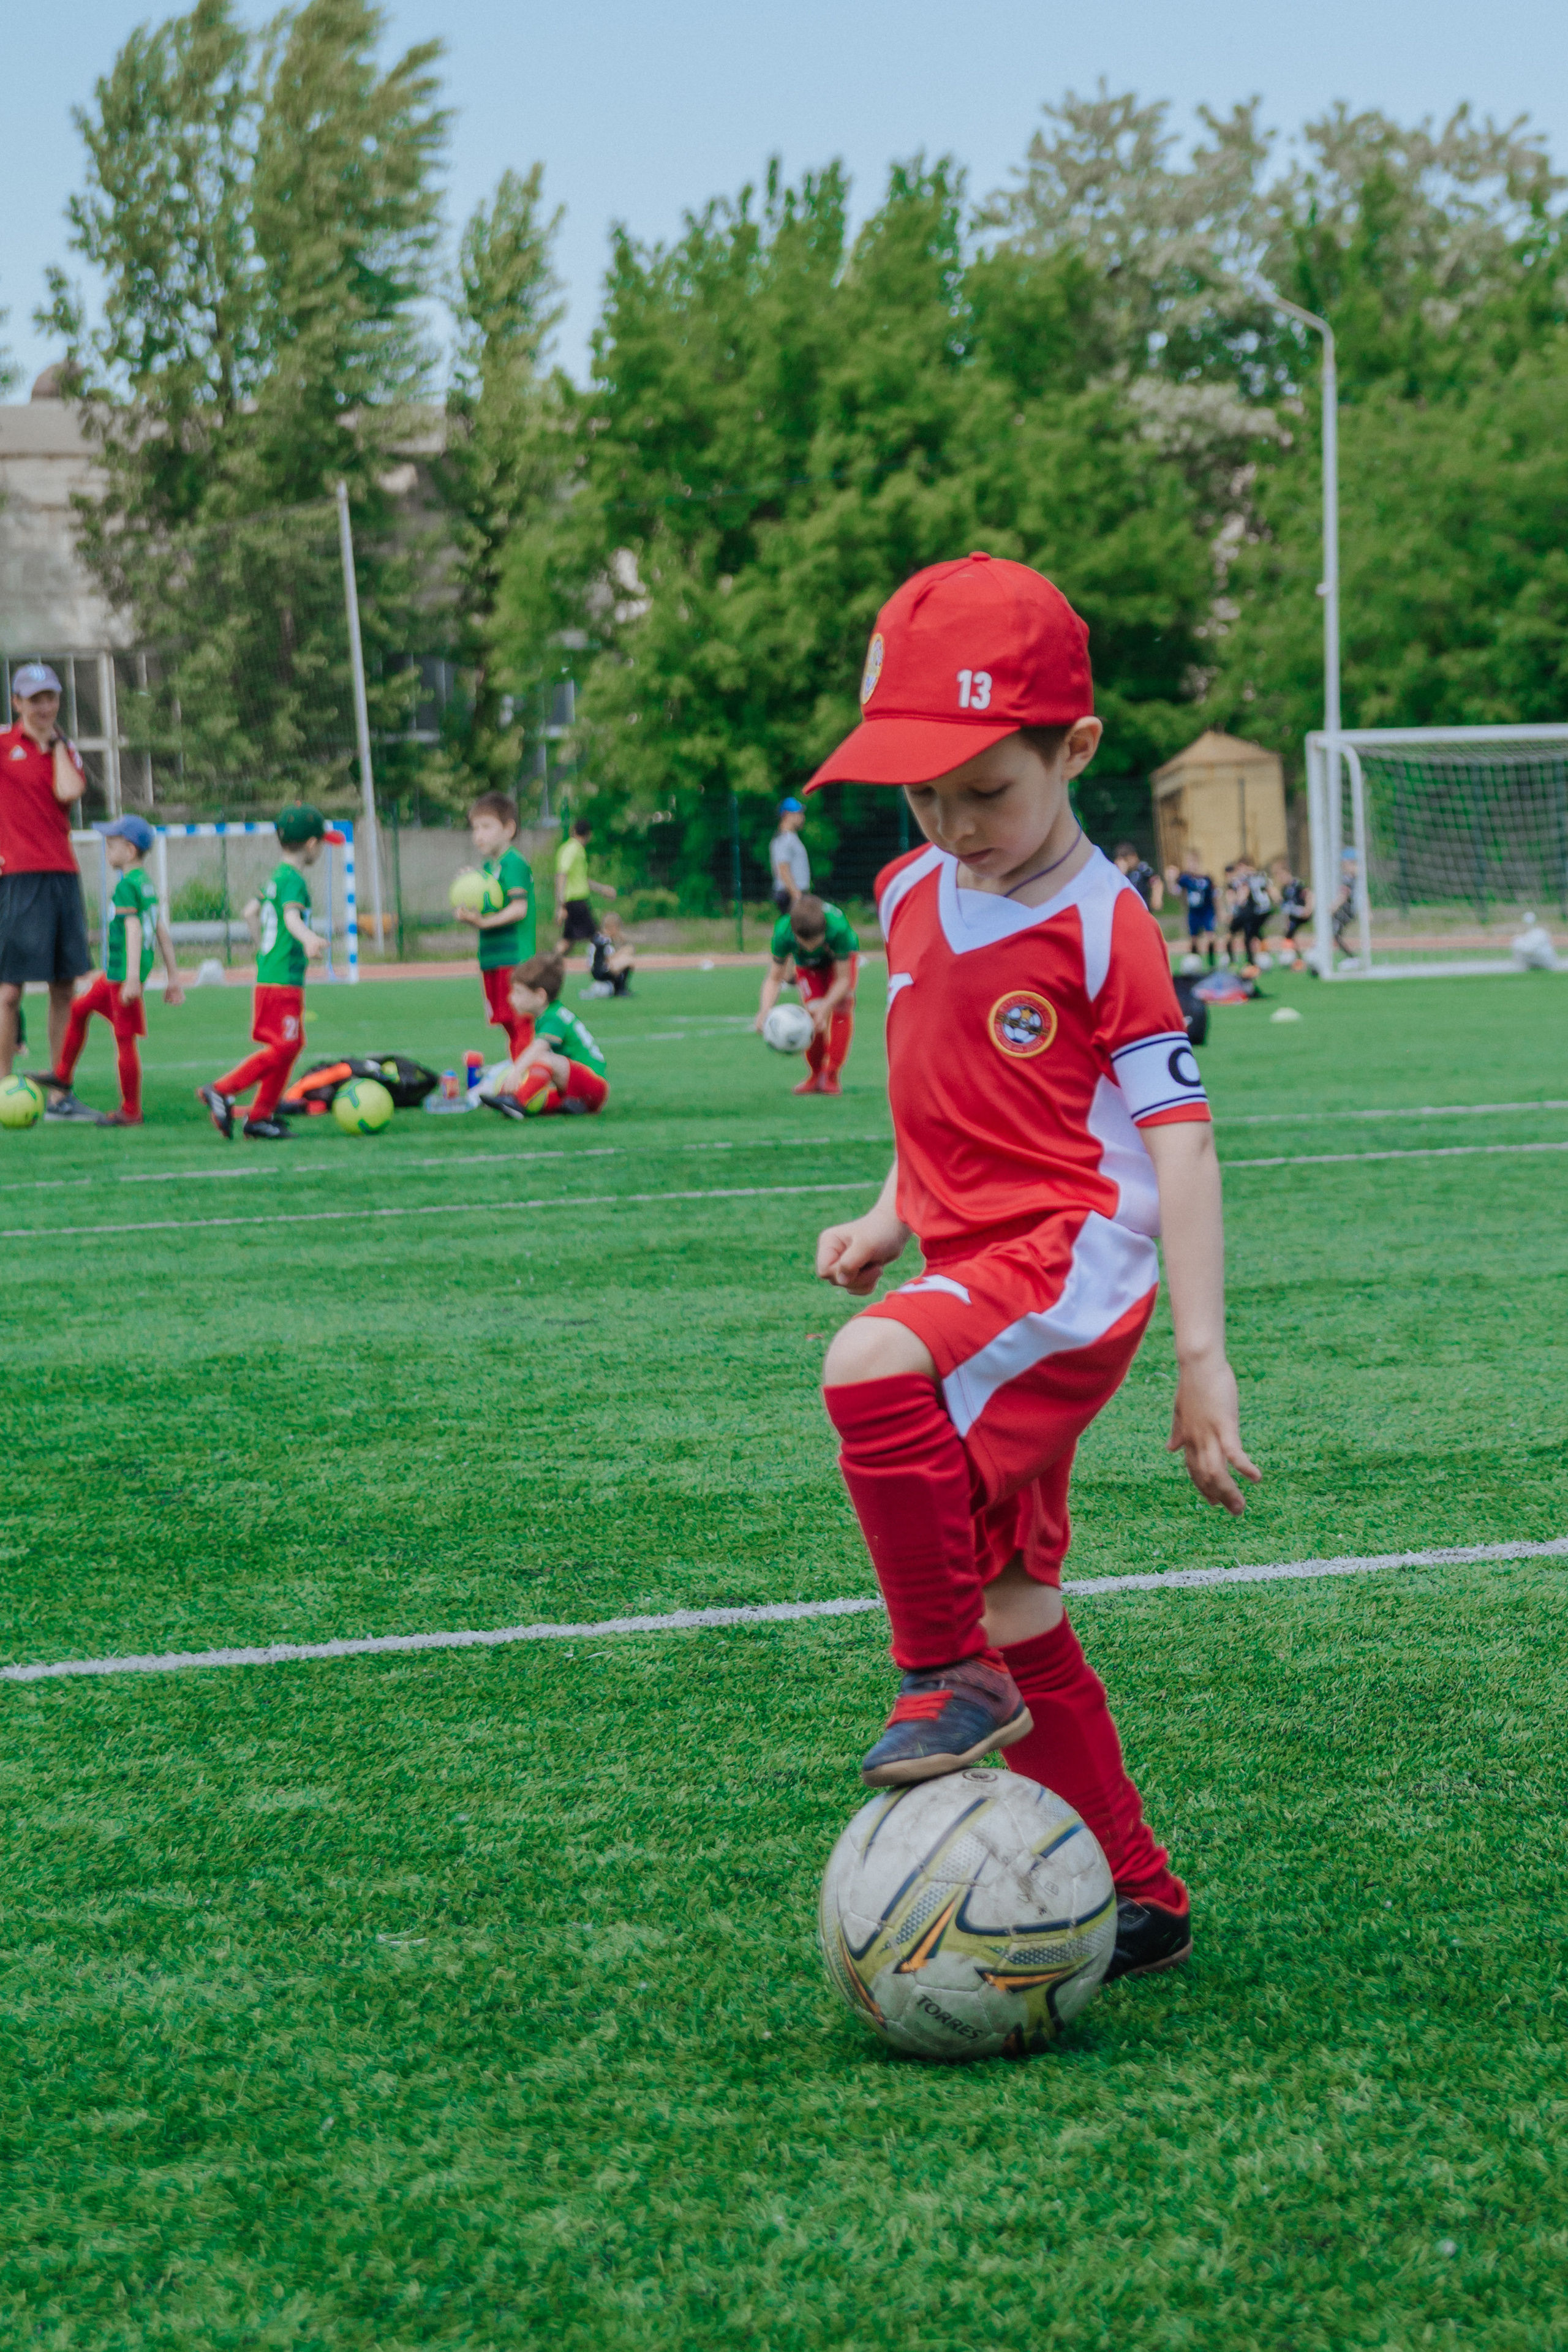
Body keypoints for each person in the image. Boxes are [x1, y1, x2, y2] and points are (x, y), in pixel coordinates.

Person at [803, 551, 1258, 1983]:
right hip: (978, 1256)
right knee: (1021, 1600)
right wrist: (892, 1206)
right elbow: (926, 1075)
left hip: (1075, 1259)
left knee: (869, 1364)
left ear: (1070, 751)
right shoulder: (905, 892)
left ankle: (943, 1676)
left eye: (985, 789)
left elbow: (1179, 1143)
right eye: (922, 793)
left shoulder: (1102, 922)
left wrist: (1198, 1356)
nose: (954, 823)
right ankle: (1137, 1890)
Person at [197, 805, 328, 1140]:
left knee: (291, 1044)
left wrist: (263, 951)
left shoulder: (275, 877)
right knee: (285, 1047)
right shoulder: (294, 881)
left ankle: (260, 1118)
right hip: (282, 979)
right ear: (312, 845)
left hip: (272, 974)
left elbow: (249, 912)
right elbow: (290, 919)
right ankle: (223, 1090)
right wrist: (308, 938)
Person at [52, 815, 184, 1125]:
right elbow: (162, 931)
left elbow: (135, 929)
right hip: (116, 975)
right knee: (80, 1009)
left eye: (111, 845)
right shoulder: (146, 885)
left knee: (124, 1040)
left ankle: (130, 1111)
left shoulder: (127, 887)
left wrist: (133, 978)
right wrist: (174, 978)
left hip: (123, 977)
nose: (106, 850)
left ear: (130, 850)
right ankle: (61, 1077)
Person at [0, 660, 91, 1103]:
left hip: (62, 876)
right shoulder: (2, 745)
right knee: (9, 990)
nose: (43, 706)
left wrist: (55, 745)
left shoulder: (66, 750)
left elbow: (69, 792)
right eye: (34, 699)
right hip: (16, 879)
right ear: (17, 702)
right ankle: (3, 1084)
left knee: (64, 986)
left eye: (50, 697)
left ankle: (60, 1087)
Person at [480, 952, 609, 1118]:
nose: (511, 998)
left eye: (518, 992)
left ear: (540, 996)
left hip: (593, 1085)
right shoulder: (549, 1014)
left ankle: (516, 1101)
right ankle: (572, 1106)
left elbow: (538, 1049)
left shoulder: (553, 1018)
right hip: (579, 1089)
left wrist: (516, 1071)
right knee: (540, 1102)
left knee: (543, 1059)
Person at [455, 791, 535, 1058]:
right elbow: (487, 910)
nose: (479, 834)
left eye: (487, 827)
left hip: (514, 957)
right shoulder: (488, 868)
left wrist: (485, 923)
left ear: (509, 829)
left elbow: (519, 908)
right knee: (505, 1022)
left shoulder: (514, 863)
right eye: (475, 828)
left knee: (520, 1021)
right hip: (492, 957)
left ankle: (529, 1078)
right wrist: (470, 907)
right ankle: (519, 1073)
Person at [756, 890, 859, 1095]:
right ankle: (815, 1074)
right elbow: (775, 978)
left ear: (824, 932)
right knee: (812, 1014)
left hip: (839, 965)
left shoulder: (838, 929)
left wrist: (827, 1006)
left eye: (817, 942)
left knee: (842, 1005)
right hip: (808, 968)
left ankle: (831, 1075)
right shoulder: (783, 931)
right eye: (805, 943)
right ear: (794, 934)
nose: (811, 948)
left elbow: (843, 980)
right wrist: (764, 1011)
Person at [556, 818, 616, 952]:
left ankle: (548, 966)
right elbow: (562, 874)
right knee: (596, 936)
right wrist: (561, 905)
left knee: (568, 941)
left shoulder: (575, 849)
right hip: (575, 901)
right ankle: (604, 967)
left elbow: (581, 879)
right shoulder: (573, 849)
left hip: (575, 901)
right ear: (589, 834)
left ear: (573, 830)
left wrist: (602, 889)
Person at [1166, 859, 1217, 963]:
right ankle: (1195, 962)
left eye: (1193, 863)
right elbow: (1175, 892)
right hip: (1194, 913)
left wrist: (1219, 912)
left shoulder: (1207, 879)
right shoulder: (1186, 879)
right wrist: (1170, 880)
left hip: (1207, 911)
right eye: (1189, 864)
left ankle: (1212, 963)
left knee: (1211, 937)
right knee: (1194, 940)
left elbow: (1214, 896)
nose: (1191, 866)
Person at [768, 796, 811, 911]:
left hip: (796, 894)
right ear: (787, 815)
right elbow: (783, 870)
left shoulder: (791, 838)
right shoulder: (784, 839)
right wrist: (796, 896)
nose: (803, 818)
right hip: (790, 895)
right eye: (799, 814)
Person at [586, 910, 636, 997]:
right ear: (613, 927)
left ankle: (618, 988)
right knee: (629, 960)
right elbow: (608, 959)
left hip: (597, 970)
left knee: (625, 958)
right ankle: (620, 989)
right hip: (601, 971)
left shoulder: (598, 937)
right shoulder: (604, 940)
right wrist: (624, 951)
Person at [1272, 859, 1312, 965]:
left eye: (1281, 875)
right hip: (1295, 917)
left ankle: (1298, 958)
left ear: (1287, 873)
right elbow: (1287, 909)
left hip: (1304, 914)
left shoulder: (1297, 884)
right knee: (1289, 934)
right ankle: (1297, 959)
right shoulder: (1284, 889)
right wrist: (1287, 921)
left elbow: (1309, 895)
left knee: (1289, 935)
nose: (1280, 879)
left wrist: (1308, 909)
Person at [1112, 841, 1163, 911]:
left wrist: (1156, 899)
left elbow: (1156, 881)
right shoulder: (1117, 873)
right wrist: (1121, 873)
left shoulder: (1143, 869)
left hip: (1142, 908)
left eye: (1128, 859)